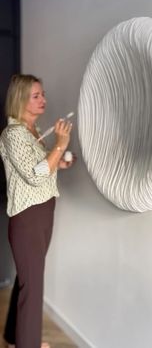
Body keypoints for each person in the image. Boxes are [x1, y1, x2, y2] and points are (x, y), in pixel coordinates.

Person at [0, 74, 75, 348]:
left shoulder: (34, 131)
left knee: (27, 278)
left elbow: (44, 169)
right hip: (28, 217)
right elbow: (35, 175)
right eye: (36, 96)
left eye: (43, 94)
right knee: (32, 288)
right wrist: (60, 145)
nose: (43, 99)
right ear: (21, 99)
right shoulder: (12, 134)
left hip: (43, 212)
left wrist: (60, 161)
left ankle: (12, 337)